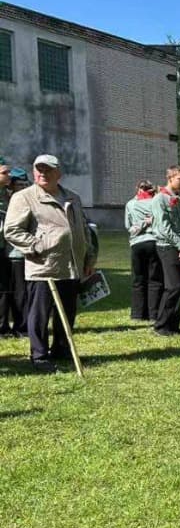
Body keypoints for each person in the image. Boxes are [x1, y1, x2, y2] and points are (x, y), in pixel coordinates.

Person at [2, 155, 97, 374]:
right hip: (43, 265)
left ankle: (61, 348)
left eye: (48, 170)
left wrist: (88, 258)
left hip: (71, 265)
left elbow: (83, 229)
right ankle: (39, 355)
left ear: (58, 173)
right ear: (34, 172)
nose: (43, 174)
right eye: (39, 170)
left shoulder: (72, 197)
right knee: (40, 313)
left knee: (68, 310)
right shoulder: (24, 197)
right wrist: (38, 245)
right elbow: (12, 230)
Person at [150, 166, 180, 336]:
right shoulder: (159, 200)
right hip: (167, 247)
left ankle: (174, 325)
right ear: (170, 178)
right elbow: (164, 229)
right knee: (173, 286)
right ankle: (160, 326)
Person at [124, 180, 163, 322]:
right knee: (154, 280)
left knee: (138, 279)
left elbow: (128, 225)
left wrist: (139, 224)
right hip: (154, 241)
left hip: (137, 243)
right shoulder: (156, 203)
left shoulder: (130, 204)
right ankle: (154, 314)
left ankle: (137, 314)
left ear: (138, 189)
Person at [3, 169, 30, 337]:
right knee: (6, 293)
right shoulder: (7, 201)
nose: (22, 188)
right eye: (19, 184)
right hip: (6, 253)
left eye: (25, 184)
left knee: (21, 293)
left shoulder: (25, 200)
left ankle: (21, 327)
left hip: (18, 254)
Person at [0, 158, 14, 337]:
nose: (9, 175)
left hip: (4, 248)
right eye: (4, 172)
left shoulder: (8, 195)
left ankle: (3, 326)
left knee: (4, 287)